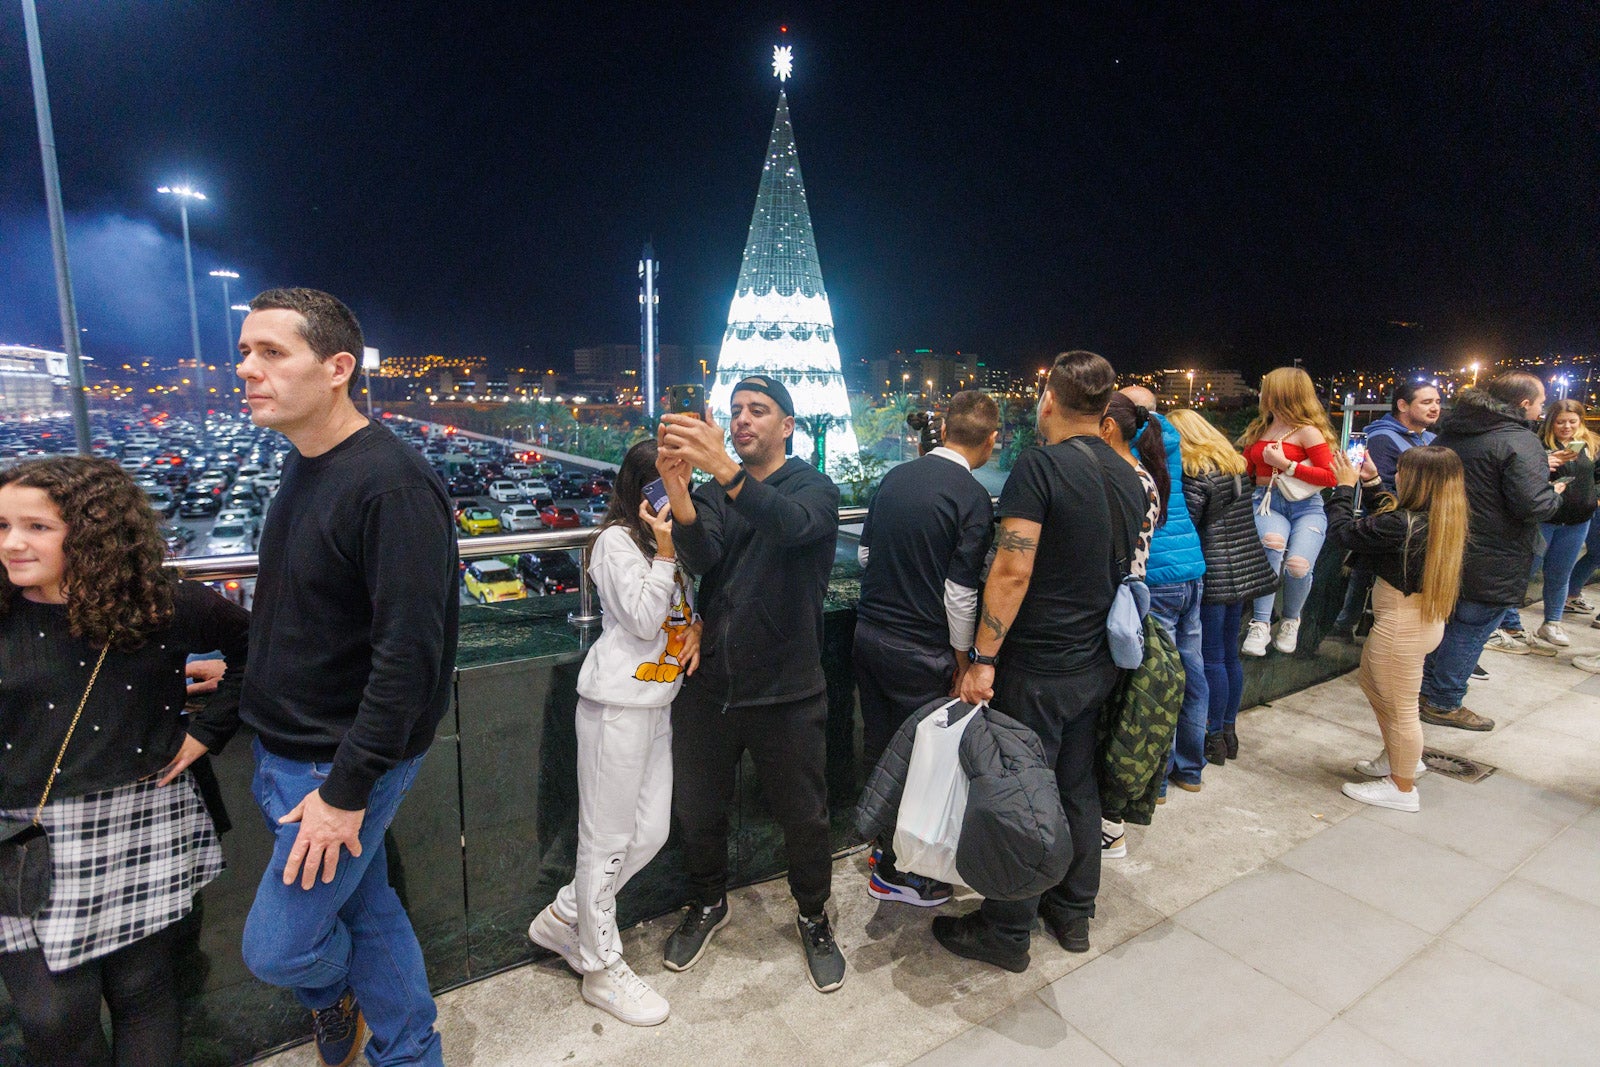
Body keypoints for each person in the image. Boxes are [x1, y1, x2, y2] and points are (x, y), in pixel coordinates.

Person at [233, 289, 457, 1067]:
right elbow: (305, 606)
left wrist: (344, 791)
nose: (247, 369)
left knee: (277, 948)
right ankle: (410, 1051)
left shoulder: (391, 485)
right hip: (287, 745)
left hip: (337, 761)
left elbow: (410, 657)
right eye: (244, 352)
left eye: (271, 352)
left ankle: (335, 993)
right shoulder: (305, 464)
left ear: (337, 368)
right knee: (368, 910)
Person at [0, 456, 247, 1067]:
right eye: (2, 525)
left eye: (36, 527)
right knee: (54, 1017)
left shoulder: (161, 603)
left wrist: (208, 732)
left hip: (139, 816)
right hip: (20, 835)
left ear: (93, 532)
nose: (12, 543)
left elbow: (260, 646)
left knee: (145, 992)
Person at [934, 351, 1143, 970]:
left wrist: (982, 657)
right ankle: (1073, 912)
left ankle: (1007, 931)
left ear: (1048, 399)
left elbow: (1012, 568)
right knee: (1076, 784)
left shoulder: (1040, 465)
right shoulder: (1127, 473)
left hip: (1038, 667)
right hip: (1095, 662)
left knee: (1023, 793)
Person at [655, 375, 846, 993]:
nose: (742, 419)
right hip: (711, 684)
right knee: (698, 808)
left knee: (804, 818)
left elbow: (791, 527)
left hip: (788, 690)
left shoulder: (814, 488)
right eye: (735, 410)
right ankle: (708, 901)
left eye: (758, 410)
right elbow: (703, 557)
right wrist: (680, 490)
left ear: (786, 426)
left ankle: (813, 915)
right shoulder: (715, 491)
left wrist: (725, 473)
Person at [527, 440, 700, 1026]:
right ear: (640, 486)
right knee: (603, 842)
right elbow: (644, 619)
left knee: (649, 832)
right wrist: (667, 548)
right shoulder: (615, 543)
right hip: (615, 707)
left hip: (657, 702)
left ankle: (565, 916)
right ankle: (600, 967)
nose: (678, 490)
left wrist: (696, 623)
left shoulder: (665, 542)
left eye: (685, 478)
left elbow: (677, 614)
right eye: (668, 479)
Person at [854, 390, 998, 906]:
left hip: (869, 635)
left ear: (945, 427)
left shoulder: (895, 477)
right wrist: (964, 660)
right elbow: (959, 593)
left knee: (879, 747)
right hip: (922, 649)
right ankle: (901, 872)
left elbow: (866, 554)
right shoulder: (972, 497)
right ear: (991, 440)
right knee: (918, 760)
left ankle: (879, 851)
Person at [1327, 447, 1468, 812]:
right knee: (1373, 685)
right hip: (1419, 623)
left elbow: (1344, 533)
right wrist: (1372, 482)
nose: (1397, 476)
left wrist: (1344, 487)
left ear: (1419, 481)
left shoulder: (1404, 524)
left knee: (1402, 709)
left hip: (1400, 629)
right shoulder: (1439, 517)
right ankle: (1398, 758)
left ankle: (1402, 787)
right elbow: (1386, 524)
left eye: (1402, 471)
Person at [1419, 372, 1561, 731]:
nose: (1542, 409)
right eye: (1541, 402)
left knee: (1444, 624)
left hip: (1443, 546)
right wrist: (1554, 495)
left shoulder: (1450, 433)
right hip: (1496, 554)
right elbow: (1532, 504)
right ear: (1524, 404)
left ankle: (1424, 692)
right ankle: (1443, 702)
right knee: (1471, 628)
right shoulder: (1519, 440)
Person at [1168, 409, 1278, 766]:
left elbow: (1188, 523)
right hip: (1243, 572)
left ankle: (1211, 736)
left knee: (1211, 658)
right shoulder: (1233, 465)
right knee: (1229, 656)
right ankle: (1229, 732)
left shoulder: (1193, 471)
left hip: (1213, 573)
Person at [1119, 385, 1208, 806]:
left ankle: (1157, 781)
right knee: (1192, 672)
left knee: (1161, 680)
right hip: (1191, 569)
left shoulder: (1131, 441)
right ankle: (1190, 770)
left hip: (1158, 574)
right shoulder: (1169, 433)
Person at [1093, 391, 1166, 859]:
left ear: (1107, 428)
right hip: (1129, 609)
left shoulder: (1120, 480)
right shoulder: (1144, 476)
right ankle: (1108, 822)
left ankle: (1108, 826)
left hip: (1113, 612)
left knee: (1108, 723)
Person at [1237, 367, 1339, 656]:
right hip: (1265, 500)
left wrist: (1286, 465)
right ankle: (1260, 623)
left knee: (1298, 566)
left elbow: (1330, 477)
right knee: (1272, 544)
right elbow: (1245, 470)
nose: (1262, 394)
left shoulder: (1308, 432)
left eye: (1267, 388)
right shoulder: (1260, 429)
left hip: (1306, 506)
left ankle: (1291, 619)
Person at [1331, 382, 1441, 641]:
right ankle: (1345, 623)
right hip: (1395, 524)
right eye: (1426, 402)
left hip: (1404, 524)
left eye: (1437, 401)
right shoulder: (1383, 438)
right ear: (1402, 405)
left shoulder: (1430, 439)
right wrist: (1360, 484)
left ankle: (1348, 623)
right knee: (1368, 573)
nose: (1435, 407)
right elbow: (1384, 500)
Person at [1490, 399, 1597, 650]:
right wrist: (1547, 467)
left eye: (1572, 421)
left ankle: (1552, 622)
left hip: (1577, 521)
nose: (1566, 427)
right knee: (1525, 572)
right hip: (1544, 520)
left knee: (1560, 574)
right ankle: (1507, 621)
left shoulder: (1591, 446)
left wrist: (1593, 498)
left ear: (1580, 422)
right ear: (1551, 423)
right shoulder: (1537, 445)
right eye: (1560, 422)